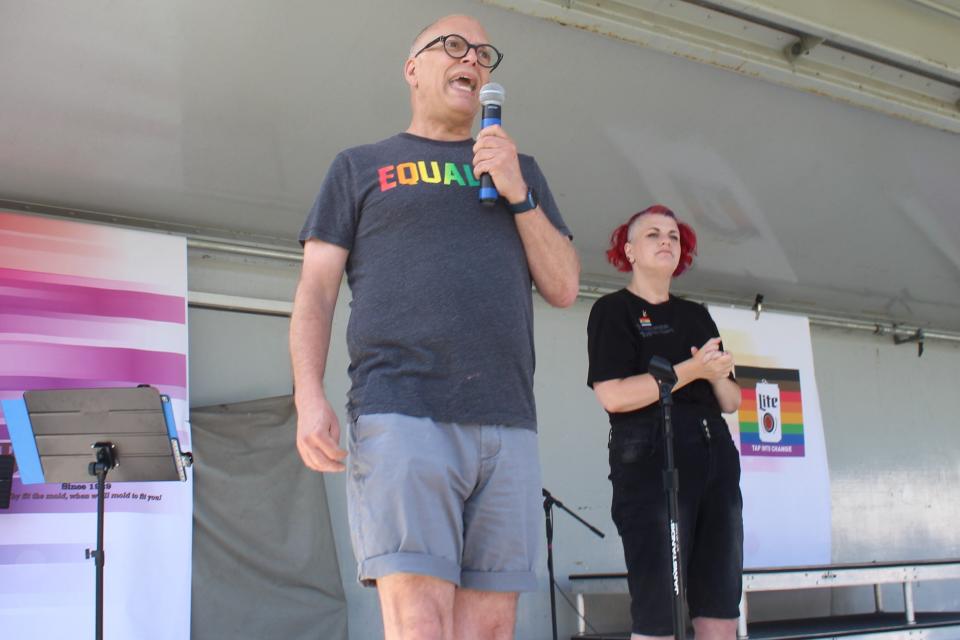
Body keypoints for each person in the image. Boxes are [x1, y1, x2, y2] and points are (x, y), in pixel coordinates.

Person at [289, 14, 580, 640]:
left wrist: (518, 193)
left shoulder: (518, 169)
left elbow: (563, 286)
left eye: (482, 54)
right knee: (420, 625)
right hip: (402, 409)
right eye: (453, 46)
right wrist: (307, 394)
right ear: (412, 68)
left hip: (507, 421)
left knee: (491, 630)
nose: (471, 60)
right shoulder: (360, 166)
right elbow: (316, 288)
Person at [586, 205, 743, 640]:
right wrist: (690, 371)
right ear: (629, 250)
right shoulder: (612, 310)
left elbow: (731, 399)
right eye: (653, 234)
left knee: (720, 602)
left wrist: (716, 373)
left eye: (674, 236)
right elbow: (613, 396)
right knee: (659, 609)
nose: (666, 242)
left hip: (715, 452)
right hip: (653, 456)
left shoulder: (696, 315)